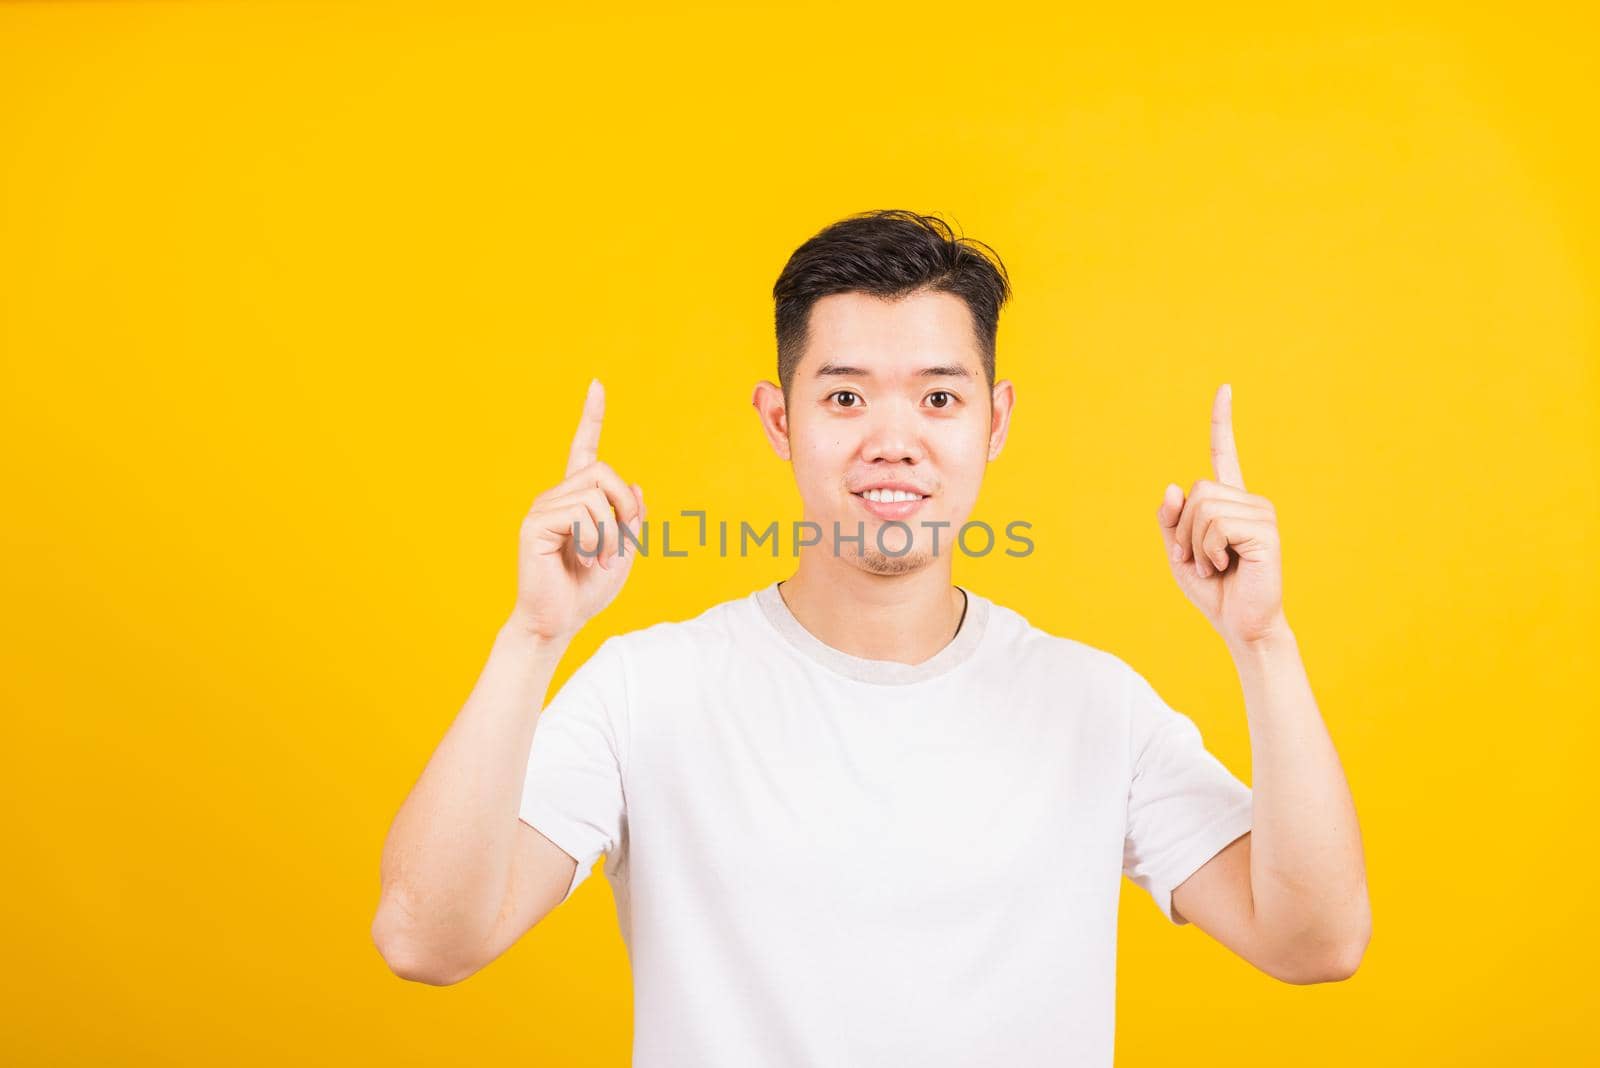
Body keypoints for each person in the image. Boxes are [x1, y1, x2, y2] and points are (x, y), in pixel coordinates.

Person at [371, 210, 1371, 1066]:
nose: (893, 440)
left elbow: (1314, 940)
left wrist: (1265, 643)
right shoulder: (648, 692)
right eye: (844, 397)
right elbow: (426, 938)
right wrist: (533, 636)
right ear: (778, 420)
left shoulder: (1092, 705)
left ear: (994, 420)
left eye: (939, 397)